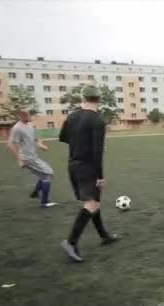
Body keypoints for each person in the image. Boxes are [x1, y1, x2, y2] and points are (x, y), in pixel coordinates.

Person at [59, 85, 118, 263]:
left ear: (83, 98)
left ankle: (104, 235)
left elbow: (63, 138)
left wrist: (79, 141)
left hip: (73, 165)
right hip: (88, 168)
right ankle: (71, 242)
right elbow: (97, 152)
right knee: (91, 204)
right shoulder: (97, 121)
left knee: (94, 202)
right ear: (99, 100)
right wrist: (100, 176)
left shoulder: (72, 116)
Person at [7, 110, 57, 208]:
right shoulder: (17, 128)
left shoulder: (30, 127)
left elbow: (35, 140)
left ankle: (36, 193)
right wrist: (20, 160)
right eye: (28, 114)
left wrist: (41, 146)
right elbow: (11, 144)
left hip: (33, 156)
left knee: (43, 175)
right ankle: (45, 202)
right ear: (22, 116)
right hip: (27, 158)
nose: (30, 116)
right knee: (48, 173)